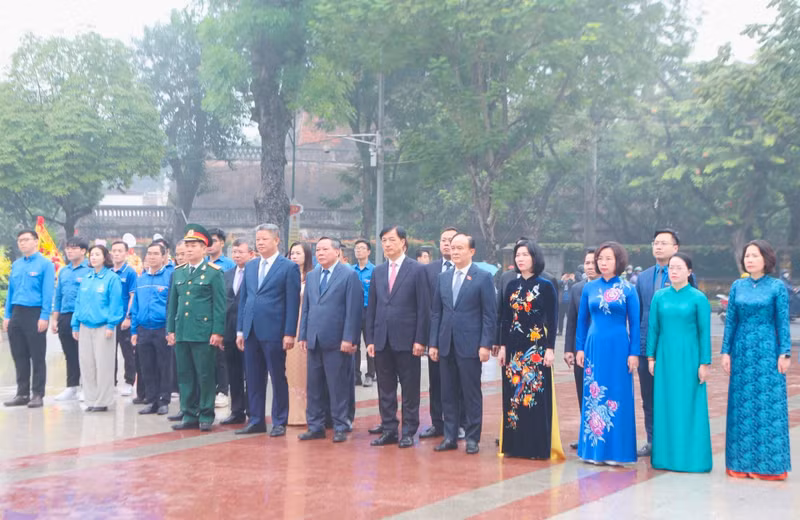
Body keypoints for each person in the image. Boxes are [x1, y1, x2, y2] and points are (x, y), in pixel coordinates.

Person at [721, 240, 791, 480]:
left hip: (767, 352)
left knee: (768, 407)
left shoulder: (776, 287)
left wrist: (785, 352)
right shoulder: (737, 286)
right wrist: (725, 351)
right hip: (741, 351)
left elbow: (782, 321)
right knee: (742, 407)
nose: (749, 259)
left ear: (766, 259)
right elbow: (731, 321)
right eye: (747, 256)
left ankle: (771, 467)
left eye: (755, 255)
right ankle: (740, 464)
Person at [428, 233, 496, 455]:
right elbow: (436, 313)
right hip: (446, 344)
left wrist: (485, 344)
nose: (454, 251)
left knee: (471, 393)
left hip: (470, 345)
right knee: (447, 393)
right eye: (452, 247)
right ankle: (449, 436)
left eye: (459, 248)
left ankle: (472, 437)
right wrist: (434, 343)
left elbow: (489, 315)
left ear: (472, 252)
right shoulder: (443, 278)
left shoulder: (483, 277)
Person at [497, 240, 563, 459]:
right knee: (514, 396)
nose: (520, 258)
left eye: (525, 254)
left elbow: (553, 321)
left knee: (534, 395)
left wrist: (550, 349)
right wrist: (503, 347)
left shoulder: (546, 286)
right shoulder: (511, 286)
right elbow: (505, 319)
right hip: (514, 348)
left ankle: (536, 448)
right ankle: (514, 445)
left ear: (535, 257)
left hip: (535, 347)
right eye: (518, 255)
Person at [575, 241, 640, 465]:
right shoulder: (589, 288)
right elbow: (581, 321)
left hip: (619, 347)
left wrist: (634, 353)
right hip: (594, 347)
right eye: (600, 259)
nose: (603, 263)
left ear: (618, 261)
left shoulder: (629, 289)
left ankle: (617, 452)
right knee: (594, 396)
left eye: (608, 259)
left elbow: (635, 323)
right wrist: (579, 348)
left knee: (618, 394)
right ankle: (594, 451)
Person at [646, 252, 712, 473]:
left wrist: (705, 363)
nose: (673, 271)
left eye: (678, 267)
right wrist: (651, 357)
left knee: (689, 405)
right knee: (665, 405)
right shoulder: (659, 297)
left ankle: (692, 458)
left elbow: (704, 333)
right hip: (665, 358)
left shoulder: (698, 298)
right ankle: (665, 458)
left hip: (690, 357)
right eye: (671, 268)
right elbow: (653, 329)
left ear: (689, 272)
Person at [366, 226, 430, 448]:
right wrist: (371, 340)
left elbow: (424, 308)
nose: (387, 244)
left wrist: (420, 340)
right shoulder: (378, 271)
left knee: (410, 388)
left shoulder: (417, 270)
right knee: (385, 388)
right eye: (383, 240)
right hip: (382, 339)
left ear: (403, 242)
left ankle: (409, 430)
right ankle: (389, 429)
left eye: (391, 240)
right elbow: (372, 308)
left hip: (408, 340)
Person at [235, 224, 301, 437]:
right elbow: (244, 299)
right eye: (258, 239)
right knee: (253, 378)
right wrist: (240, 330)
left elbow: (292, 303)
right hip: (251, 330)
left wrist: (289, 332)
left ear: (276, 240)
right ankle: (256, 419)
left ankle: (279, 420)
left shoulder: (288, 267)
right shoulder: (251, 266)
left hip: (274, 331)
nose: (260, 242)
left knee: (277, 376)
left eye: (264, 239)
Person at [297, 238, 362, 443]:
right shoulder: (313, 275)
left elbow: (354, 310)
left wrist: (349, 338)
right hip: (314, 338)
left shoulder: (349, 275)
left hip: (337, 340)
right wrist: (303, 335)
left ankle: (341, 425)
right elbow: (307, 308)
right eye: (318, 250)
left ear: (337, 252)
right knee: (314, 386)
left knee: (338, 386)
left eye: (325, 249)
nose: (320, 253)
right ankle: (315, 425)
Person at [166, 225, 226, 432]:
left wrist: (217, 332)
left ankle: (206, 414)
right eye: (187, 246)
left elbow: (219, 305)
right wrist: (170, 330)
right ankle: (189, 414)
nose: (189, 250)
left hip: (203, 332)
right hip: (183, 331)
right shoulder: (179, 272)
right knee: (185, 374)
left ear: (204, 249)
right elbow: (172, 304)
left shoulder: (213, 273)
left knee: (205, 375)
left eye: (194, 246)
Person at [634, 229, 681, 457]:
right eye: (656, 243)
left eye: (664, 243)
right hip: (645, 346)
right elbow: (638, 314)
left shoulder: (682, 275)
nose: (659, 246)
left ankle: (670, 441)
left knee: (671, 393)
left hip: (671, 346)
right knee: (648, 396)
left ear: (675, 248)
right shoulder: (643, 277)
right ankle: (652, 441)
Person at [3, 230, 55, 408]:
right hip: (17, 312)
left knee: (37, 355)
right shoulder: (16, 265)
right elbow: (10, 292)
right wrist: (7, 316)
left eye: (26, 240)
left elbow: (48, 292)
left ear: (36, 241)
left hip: (35, 312)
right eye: (19, 240)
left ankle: (38, 394)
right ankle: (22, 393)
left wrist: (44, 316)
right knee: (19, 355)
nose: (22, 243)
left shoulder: (45, 264)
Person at [71, 245, 124, 412]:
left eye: (97, 254)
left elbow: (116, 303)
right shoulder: (87, 278)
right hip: (85, 325)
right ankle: (91, 399)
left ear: (104, 257)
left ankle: (102, 401)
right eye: (91, 254)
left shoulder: (111, 278)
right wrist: (75, 324)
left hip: (103, 327)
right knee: (87, 364)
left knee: (104, 365)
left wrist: (111, 324)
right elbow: (78, 302)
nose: (93, 257)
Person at [420, 227, 459, 440]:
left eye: (451, 240)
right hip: (436, 337)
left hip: (461, 337)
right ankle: (437, 423)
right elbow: (427, 306)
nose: (447, 244)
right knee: (435, 382)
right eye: (443, 240)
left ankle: (460, 423)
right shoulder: (428, 270)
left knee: (458, 382)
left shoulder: (470, 271)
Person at [131, 242, 173, 415]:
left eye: (156, 254)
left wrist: (171, 330)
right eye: (149, 253)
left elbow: (172, 305)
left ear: (164, 257)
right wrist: (134, 330)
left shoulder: (170, 277)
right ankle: (151, 399)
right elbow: (136, 306)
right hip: (143, 329)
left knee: (164, 366)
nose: (151, 257)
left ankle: (164, 400)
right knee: (146, 366)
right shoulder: (141, 279)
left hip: (162, 328)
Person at [564, 249, 597, 449]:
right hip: (581, 349)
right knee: (583, 391)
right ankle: (586, 432)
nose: (590, 266)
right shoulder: (577, 288)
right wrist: (569, 349)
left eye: (594, 262)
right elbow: (572, 322)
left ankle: (601, 431)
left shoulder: (615, 288)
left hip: (603, 347)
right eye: (587, 263)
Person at [220, 238, 254, 425]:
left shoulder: (255, 273)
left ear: (251, 254)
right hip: (229, 331)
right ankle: (237, 410)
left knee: (250, 373)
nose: (236, 255)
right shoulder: (227, 274)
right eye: (234, 252)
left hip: (248, 331)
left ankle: (252, 410)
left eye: (240, 252)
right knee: (233, 372)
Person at [52, 236, 90, 401]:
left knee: (84, 353)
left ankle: (86, 387)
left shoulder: (89, 269)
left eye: (74, 248)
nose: (69, 251)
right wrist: (55, 319)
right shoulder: (64, 271)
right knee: (69, 353)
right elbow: (58, 296)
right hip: (65, 316)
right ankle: (71, 387)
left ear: (83, 251)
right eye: (68, 248)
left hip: (82, 316)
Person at [286, 241, 313, 426]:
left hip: (306, 327)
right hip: (289, 327)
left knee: (306, 371)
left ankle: (309, 412)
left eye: (298, 253)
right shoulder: (286, 275)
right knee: (290, 371)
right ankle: (292, 413)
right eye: (292, 253)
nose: (294, 256)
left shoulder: (312, 276)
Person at [110, 241, 138, 398]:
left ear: (126, 253)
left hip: (123, 319)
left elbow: (133, 296)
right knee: (108, 352)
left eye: (120, 251)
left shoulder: (130, 273)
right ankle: (111, 382)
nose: (116, 253)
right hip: (109, 319)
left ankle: (129, 381)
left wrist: (128, 317)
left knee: (127, 352)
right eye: (114, 250)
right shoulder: (108, 272)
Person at [353, 239, 376, 387]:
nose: (358, 251)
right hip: (354, 311)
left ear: (368, 252)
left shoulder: (374, 270)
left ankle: (370, 374)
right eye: (356, 248)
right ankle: (356, 375)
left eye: (362, 248)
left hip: (369, 311)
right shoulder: (350, 270)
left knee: (370, 344)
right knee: (354, 344)